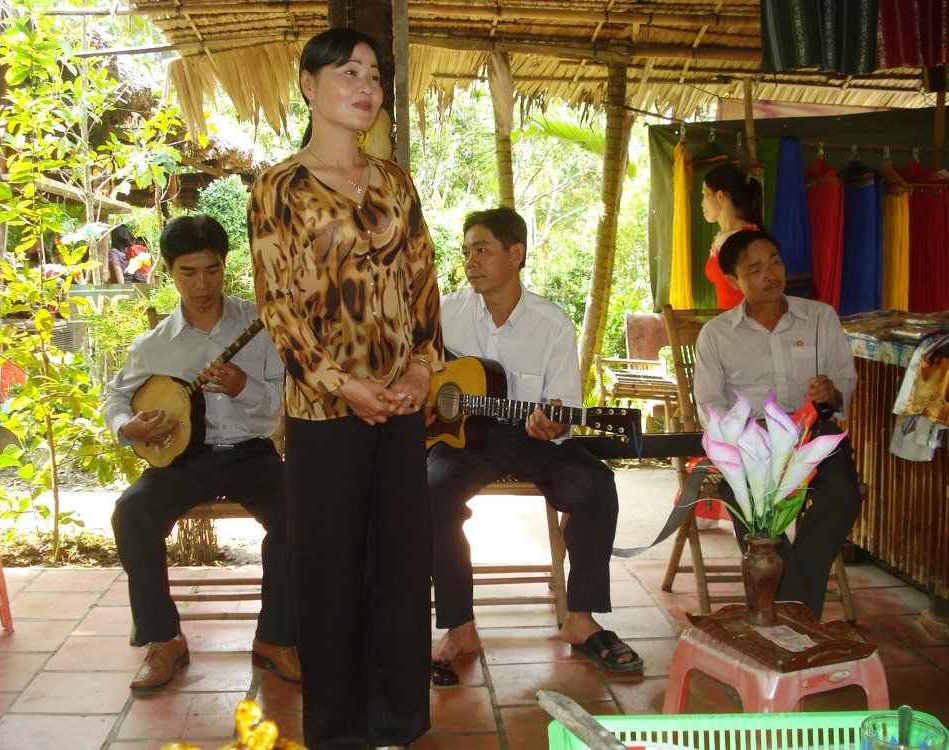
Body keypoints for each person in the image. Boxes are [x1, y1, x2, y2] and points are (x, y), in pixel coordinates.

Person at [247, 28, 443, 750]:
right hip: (324, 412)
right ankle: (337, 732)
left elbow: (423, 284)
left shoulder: (395, 182)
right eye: (348, 72)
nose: (367, 86)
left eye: (375, 74)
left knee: (401, 564)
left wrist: (423, 369)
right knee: (328, 573)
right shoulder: (279, 187)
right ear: (308, 85)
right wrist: (343, 384)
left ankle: (397, 719)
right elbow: (279, 309)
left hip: (399, 405)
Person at [428, 206, 643, 675]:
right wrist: (432, 392)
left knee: (595, 485)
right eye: (466, 252)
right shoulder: (445, 314)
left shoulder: (552, 323)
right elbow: (417, 364)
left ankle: (581, 619)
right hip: (462, 438)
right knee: (430, 492)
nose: (470, 261)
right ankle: (459, 624)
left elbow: (562, 403)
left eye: (482, 249)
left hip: (529, 437)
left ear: (517, 253)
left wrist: (556, 423)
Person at [104, 214, 300, 692]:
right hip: (185, 460)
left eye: (211, 270)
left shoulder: (261, 322)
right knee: (132, 512)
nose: (201, 284)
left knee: (302, 510)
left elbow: (285, 401)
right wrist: (127, 426)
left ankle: (275, 639)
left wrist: (244, 387)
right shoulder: (155, 344)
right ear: (168, 272)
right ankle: (165, 640)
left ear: (224, 265)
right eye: (187, 272)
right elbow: (114, 398)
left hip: (251, 454)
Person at [693, 229, 862, 619]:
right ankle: (800, 611)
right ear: (734, 282)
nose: (771, 273)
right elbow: (710, 405)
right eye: (755, 268)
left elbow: (845, 383)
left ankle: (788, 606)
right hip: (752, 443)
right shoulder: (716, 335)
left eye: (775, 261)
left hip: (813, 436)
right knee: (741, 501)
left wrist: (832, 394)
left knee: (842, 494)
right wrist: (737, 442)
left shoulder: (820, 318)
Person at [700, 163, 764, 309]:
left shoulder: (749, 240)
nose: (702, 203)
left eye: (704, 194)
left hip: (746, 326)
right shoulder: (720, 239)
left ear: (720, 196)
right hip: (727, 325)